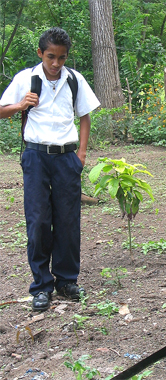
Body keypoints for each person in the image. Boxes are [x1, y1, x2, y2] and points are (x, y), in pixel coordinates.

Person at [0, 27, 100, 312]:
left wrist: (81, 153)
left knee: (68, 220)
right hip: (35, 155)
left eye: (62, 58)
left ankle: (67, 281)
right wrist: (20, 105)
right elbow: (1, 109)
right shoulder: (26, 79)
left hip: (67, 157)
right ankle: (41, 286)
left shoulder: (74, 80)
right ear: (40, 53)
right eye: (51, 57)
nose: (56, 64)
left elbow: (84, 116)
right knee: (38, 221)